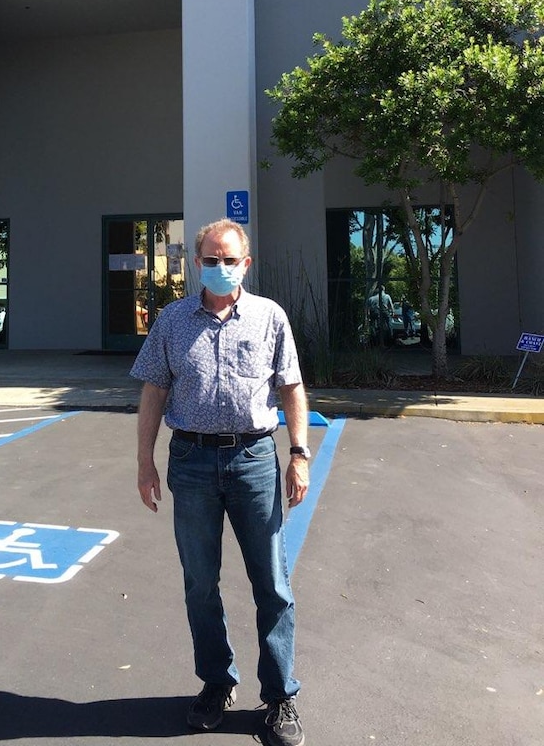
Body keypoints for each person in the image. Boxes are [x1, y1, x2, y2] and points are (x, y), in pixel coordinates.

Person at [132, 218, 310, 746]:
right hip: (189, 461)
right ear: (196, 262)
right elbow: (153, 393)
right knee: (199, 584)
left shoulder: (270, 318)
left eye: (230, 259)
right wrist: (145, 462)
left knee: (272, 584)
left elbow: (292, 389)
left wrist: (298, 454)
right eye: (211, 259)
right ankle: (216, 682)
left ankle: (280, 697)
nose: (220, 267)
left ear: (246, 264)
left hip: (253, 459)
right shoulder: (171, 321)